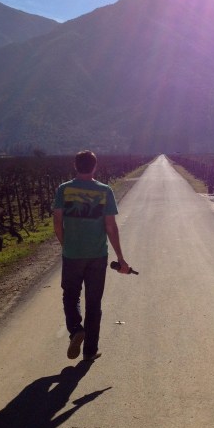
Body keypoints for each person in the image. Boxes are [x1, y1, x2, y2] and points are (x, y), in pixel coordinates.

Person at [52, 150, 129, 361]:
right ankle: (90, 351)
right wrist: (120, 257)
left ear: (75, 166)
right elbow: (111, 226)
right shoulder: (105, 191)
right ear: (95, 166)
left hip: (72, 254)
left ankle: (76, 330)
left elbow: (57, 221)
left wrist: (65, 244)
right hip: (97, 255)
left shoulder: (64, 189)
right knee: (94, 302)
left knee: (70, 295)